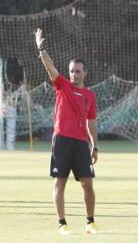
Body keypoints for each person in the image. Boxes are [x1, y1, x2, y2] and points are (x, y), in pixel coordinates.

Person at [35, 28, 99, 235]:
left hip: (81, 144)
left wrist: (95, 145)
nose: (74, 74)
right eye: (72, 70)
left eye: (78, 71)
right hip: (62, 140)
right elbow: (50, 68)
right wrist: (41, 49)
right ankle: (62, 223)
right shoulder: (62, 86)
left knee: (87, 184)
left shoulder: (90, 95)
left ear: (85, 73)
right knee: (59, 182)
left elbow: (91, 123)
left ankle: (90, 222)